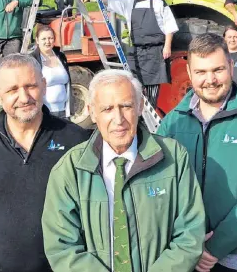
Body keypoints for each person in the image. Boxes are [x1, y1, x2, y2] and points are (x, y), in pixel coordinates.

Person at [42, 69, 206, 272]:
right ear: (92, 112)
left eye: (126, 106)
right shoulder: (70, 169)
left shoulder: (173, 158)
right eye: (107, 109)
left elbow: (190, 234)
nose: (118, 119)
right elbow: (62, 247)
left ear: (139, 106)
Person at [158, 33, 237, 272]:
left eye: (218, 70)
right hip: (187, 255)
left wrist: (214, 247)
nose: (210, 80)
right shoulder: (172, 123)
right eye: (201, 72)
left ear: (231, 68)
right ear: (190, 72)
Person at [0, 54, 90, 272]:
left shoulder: (75, 140)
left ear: (44, 86)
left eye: (31, 86)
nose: (24, 96)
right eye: (12, 90)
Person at [81, 0, 178, 108]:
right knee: (135, 88)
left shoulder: (159, 3)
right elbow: (109, 0)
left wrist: (167, 46)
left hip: (155, 53)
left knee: (152, 91)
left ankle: (151, 116)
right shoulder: (128, 2)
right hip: (136, 52)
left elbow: (169, 26)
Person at [31, 25, 71, 118]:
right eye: (43, 39)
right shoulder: (33, 59)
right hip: (45, 112)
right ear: (37, 40)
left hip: (64, 111)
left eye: (50, 38)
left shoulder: (61, 56)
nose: (47, 42)